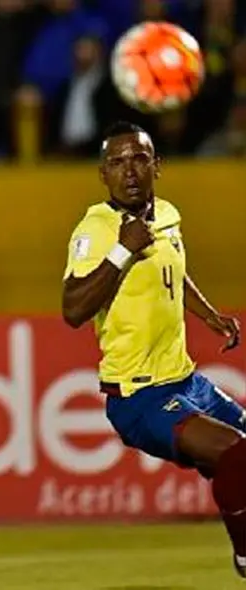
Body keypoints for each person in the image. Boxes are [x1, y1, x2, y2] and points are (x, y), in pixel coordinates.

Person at [62, 121, 243, 578]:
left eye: (140, 158)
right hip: (139, 398)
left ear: (156, 166)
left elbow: (173, 270)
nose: (130, 170)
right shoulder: (97, 228)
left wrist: (207, 315)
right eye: (118, 161)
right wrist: (121, 253)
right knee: (237, 454)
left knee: (239, 464)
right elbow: (73, 309)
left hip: (187, 382)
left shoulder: (166, 215)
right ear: (103, 173)